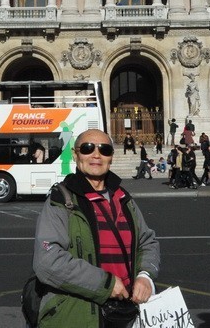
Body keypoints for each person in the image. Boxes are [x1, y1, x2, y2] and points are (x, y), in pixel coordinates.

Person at [32, 129, 161, 327]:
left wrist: (145, 276)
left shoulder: (123, 198)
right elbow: (47, 261)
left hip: (125, 313)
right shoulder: (61, 201)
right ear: (75, 155)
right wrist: (106, 285)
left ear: (111, 157)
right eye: (87, 148)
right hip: (77, 316)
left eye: (104, 149)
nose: (96, 155)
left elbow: (147, 241)